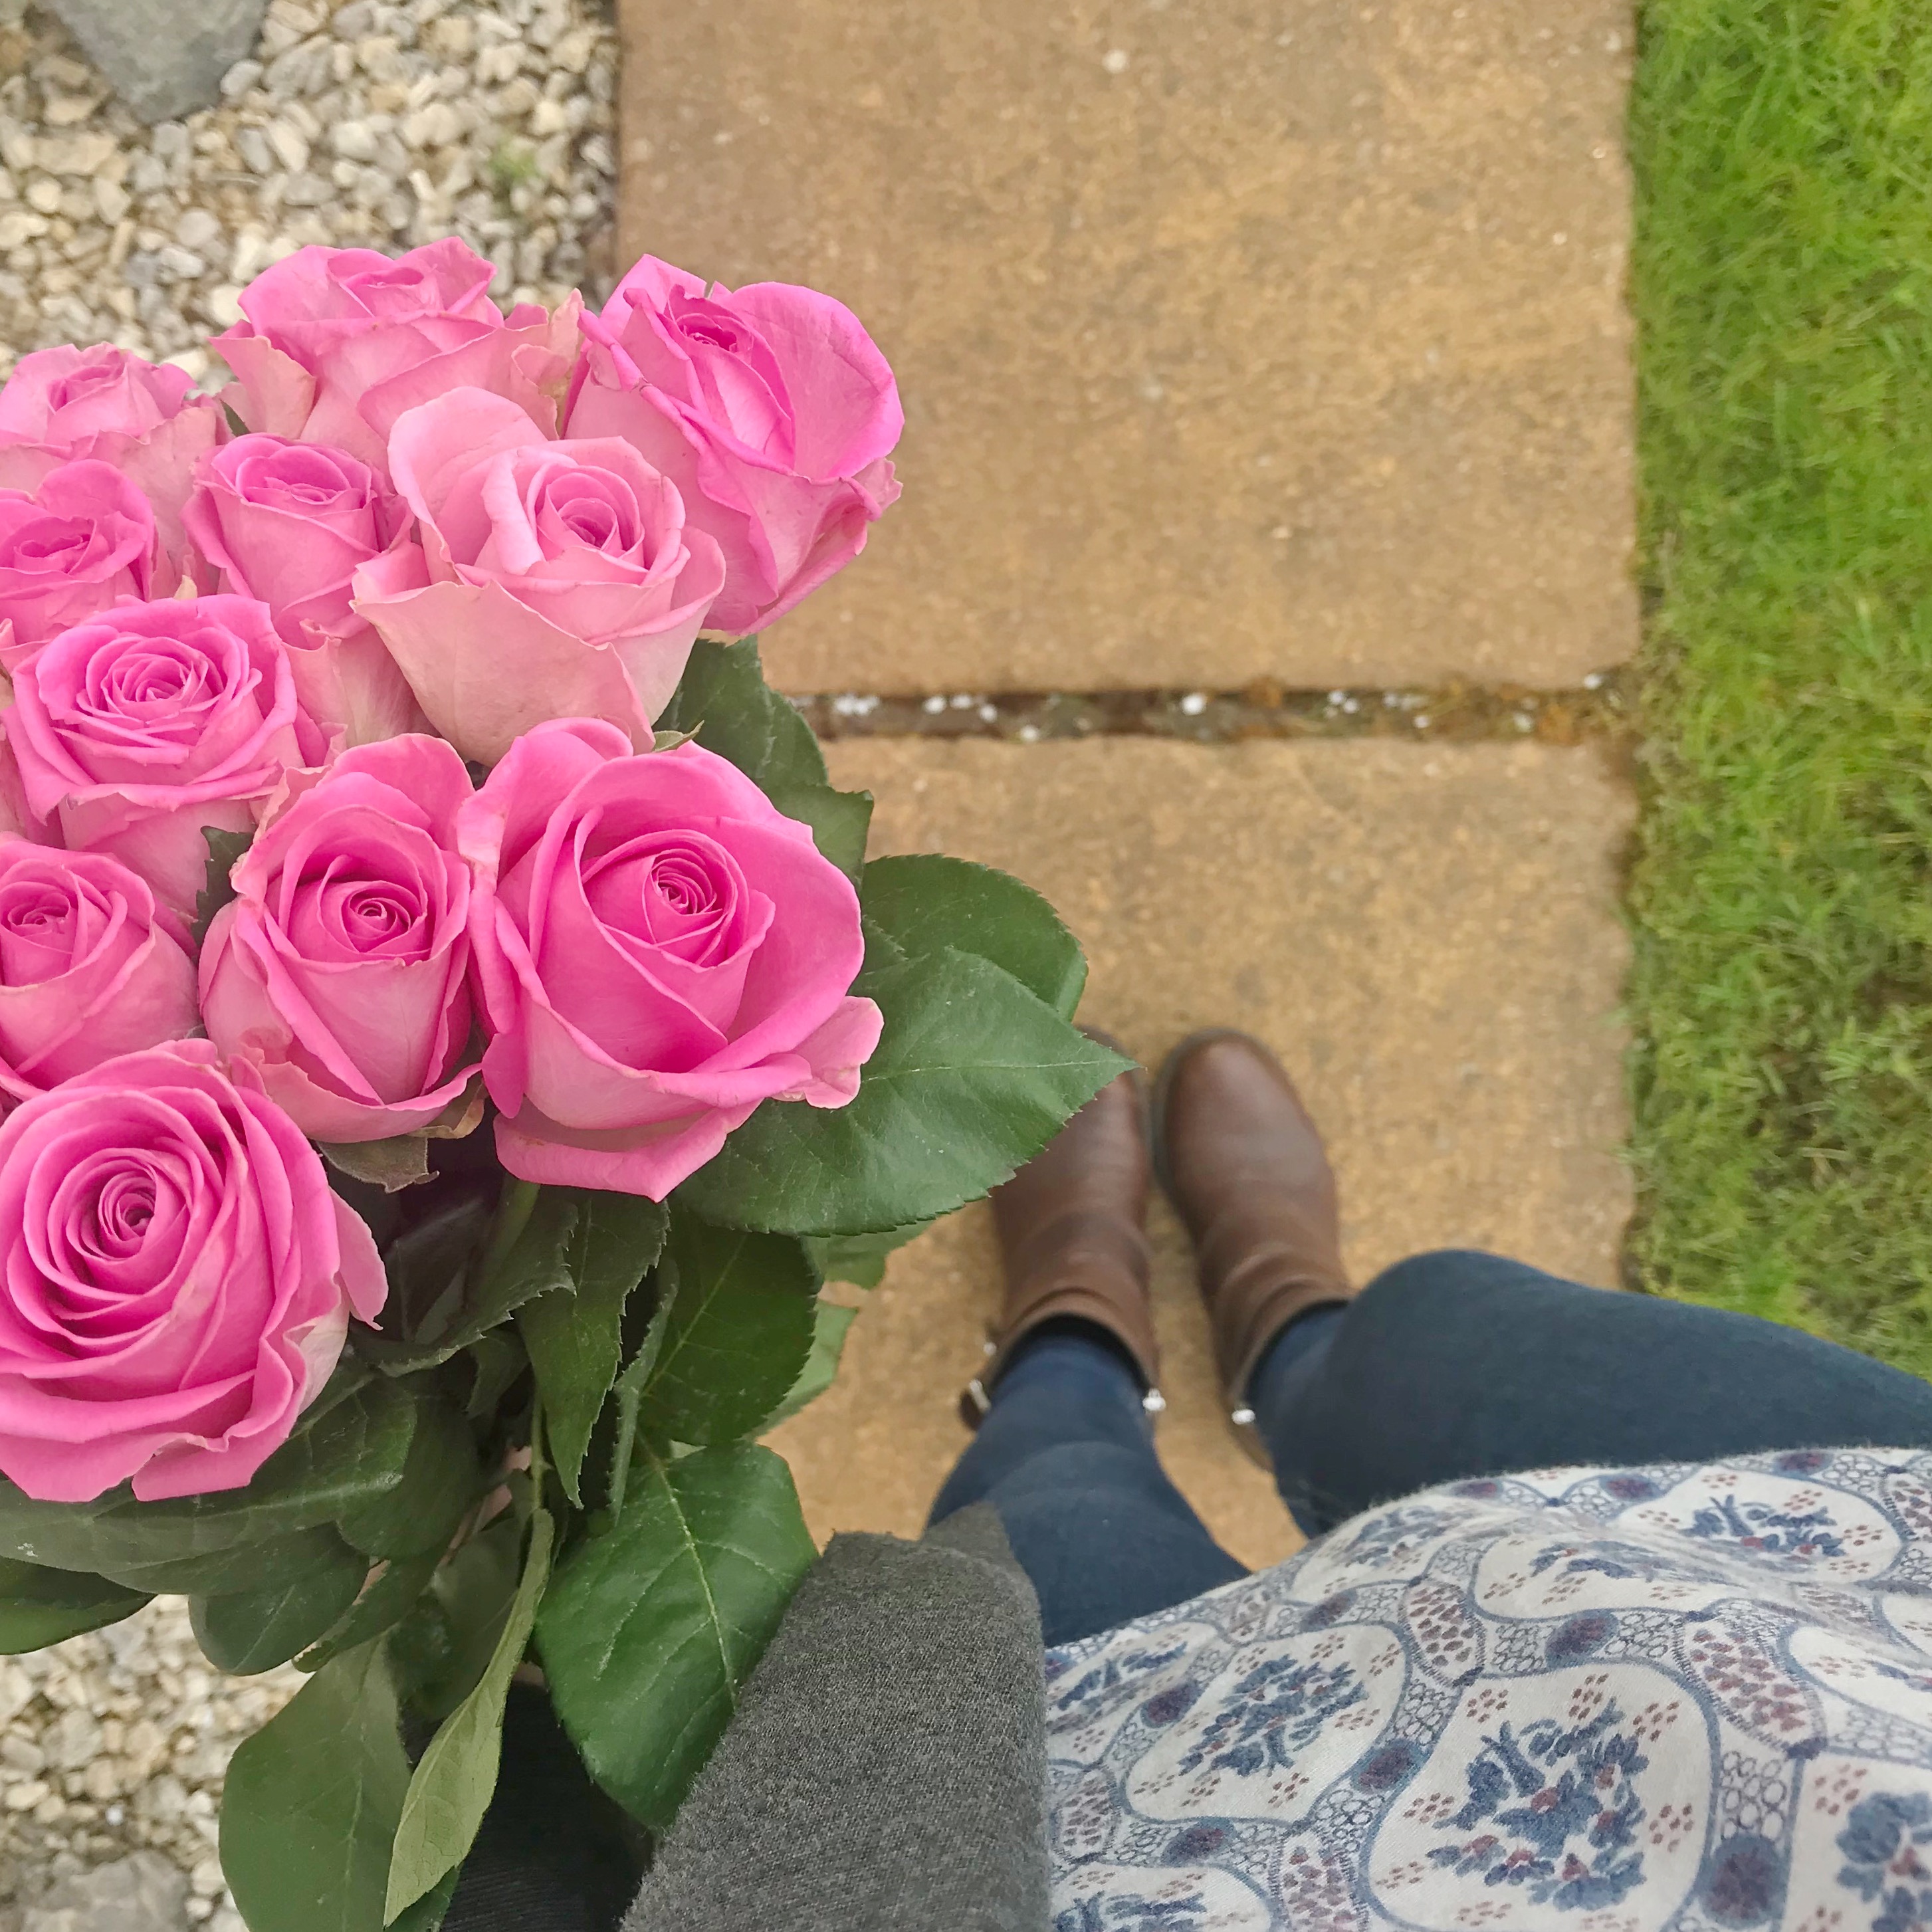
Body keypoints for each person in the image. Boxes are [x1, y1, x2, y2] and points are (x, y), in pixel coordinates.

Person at [457, 1030, 1932, 1932]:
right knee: (1439, 1348)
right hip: (1832, 1614)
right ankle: (1286, 1329)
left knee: (1060, 1498)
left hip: (1157, 1844)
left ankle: (1076, 1319)